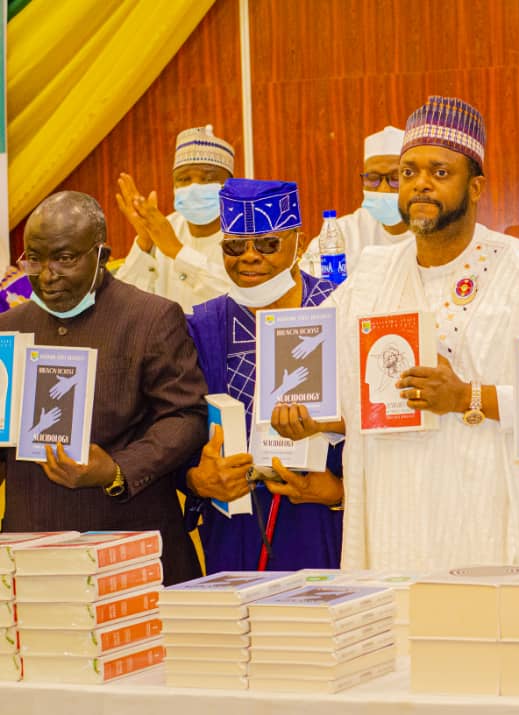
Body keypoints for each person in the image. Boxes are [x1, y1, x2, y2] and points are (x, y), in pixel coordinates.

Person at [292, 95, 519, 570]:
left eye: (440, 172)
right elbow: (343, 395)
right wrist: (310, 418)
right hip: (395, 523)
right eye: (409, 172)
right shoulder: (368, 278)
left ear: (476, 186)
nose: (420, 184)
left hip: (492, 523)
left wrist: (468, 396)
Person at [0, 191, 205, 585]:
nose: (47, 275)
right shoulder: (8, 329)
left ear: (101, 254)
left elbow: (185, 416)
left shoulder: (151, 318)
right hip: (29, 552)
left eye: (64, 258)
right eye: (35, 259)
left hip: (127, 544)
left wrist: (115, 470)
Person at [184, 178, 344, 573]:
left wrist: (342, 492)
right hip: (235, 525)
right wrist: (196, 479)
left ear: (299, 244)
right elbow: (178, 427)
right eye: (235, 247)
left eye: (268, 244)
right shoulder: (203, 326)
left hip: (324, 517)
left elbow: (377, 421)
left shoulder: (341, 308)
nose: (250, 257)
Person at [115, 125, 235, 313]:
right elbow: (123, 305)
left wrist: (178, 252)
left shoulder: (249, 233)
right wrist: (145, 243)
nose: (194, 187)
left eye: (208, 178)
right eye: (184, 179)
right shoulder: (162, 228)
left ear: (229, 184)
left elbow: (243, 301)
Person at [300, 125, 413, 276]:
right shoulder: (343, 233)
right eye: (373, 178)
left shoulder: (434, 234)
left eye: (395, 178)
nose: (383, 189)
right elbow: (310, 282)